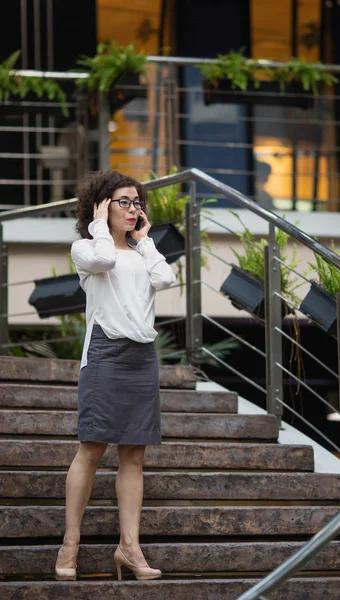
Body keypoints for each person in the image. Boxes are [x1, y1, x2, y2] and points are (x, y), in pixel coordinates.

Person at [55, 170, 176, 582]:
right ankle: (70, 544)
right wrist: (97, 224)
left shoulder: (142, 253)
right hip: (106, 353)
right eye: (123, 201)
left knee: (134, 455)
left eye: (137, 202)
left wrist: (145, 240)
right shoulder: (86, 248)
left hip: (142, 356)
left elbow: (166, 277)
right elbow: (104, 259)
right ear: (102, 205)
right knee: (91, 449)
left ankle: (129, 547)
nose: (133, 208)